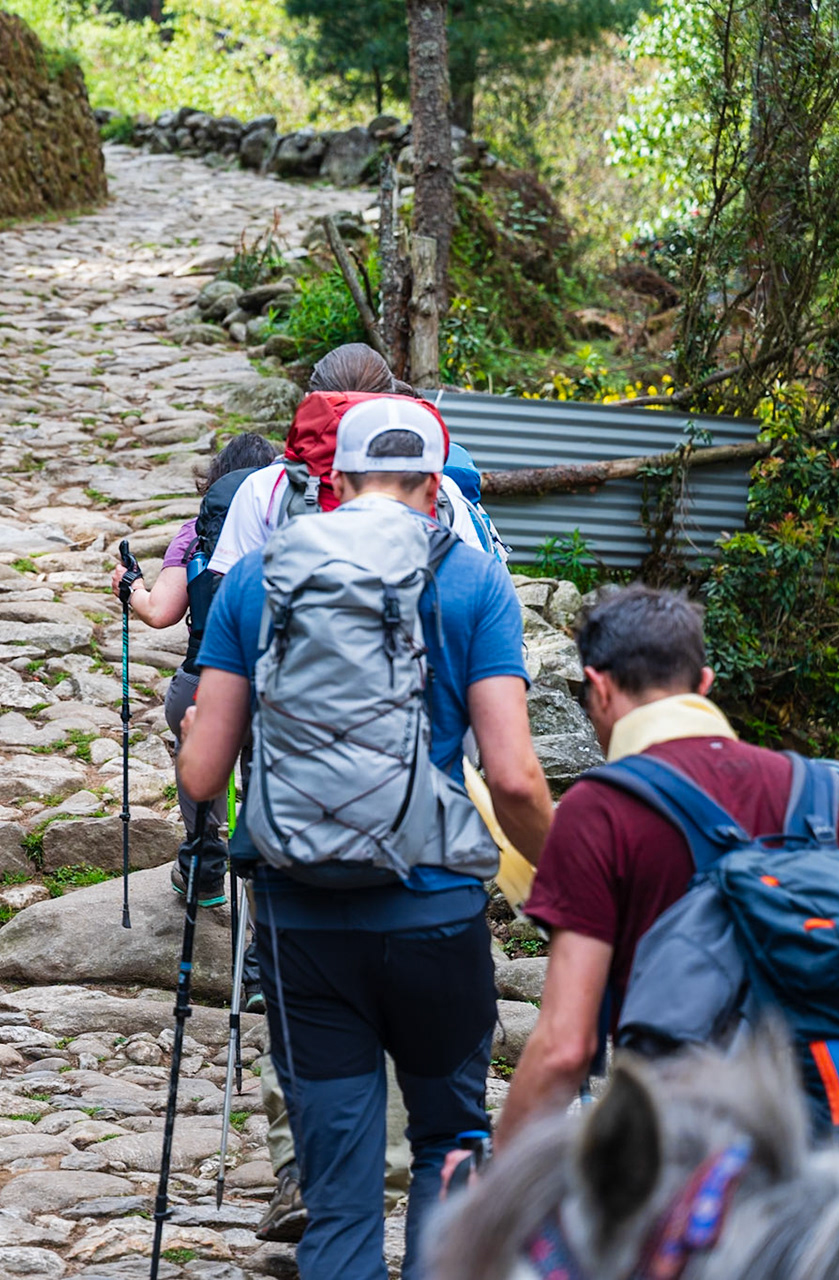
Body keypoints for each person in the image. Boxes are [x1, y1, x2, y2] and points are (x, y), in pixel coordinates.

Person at [176, 396, 554, 1280]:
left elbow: (201, 778)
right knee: (449, 1145)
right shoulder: (472, 581)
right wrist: (576, 871)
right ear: (435, 487)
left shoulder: (258, 574)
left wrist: (200, 724)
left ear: (333, 481)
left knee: (339, 1195)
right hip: (435, 916)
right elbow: (514, 777)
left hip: (303, 923)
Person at [494, 586, 839, 1149]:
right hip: (820, 1147)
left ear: (600, 689)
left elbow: (564, 1046)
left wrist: (496, 1205)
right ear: (704, 684)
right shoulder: (823, 794)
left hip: (684, 1152)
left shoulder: (599, 809)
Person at [111, 431, 278, 909]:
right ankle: (265, 878)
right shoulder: (293, 522)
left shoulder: (199, 530)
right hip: (273, 687)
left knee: (191, 723)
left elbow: (160, 611)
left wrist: (129, 586)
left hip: (206, 682)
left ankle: (203, 866)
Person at [205, 344, 491, 575]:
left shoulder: (265, 487)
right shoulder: (440, 490)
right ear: (393, 402)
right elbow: (483, 587)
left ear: (309, 400)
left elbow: (231, 595)